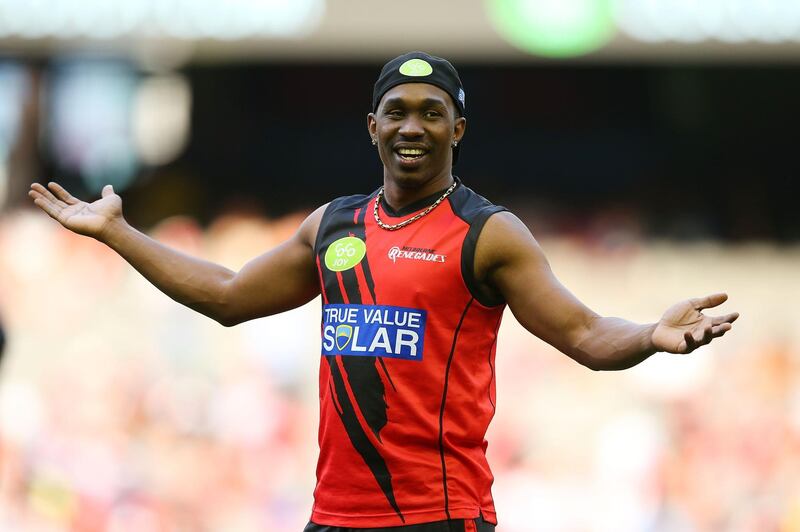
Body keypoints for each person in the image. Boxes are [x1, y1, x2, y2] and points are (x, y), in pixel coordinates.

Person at [29, 52, 738, 532]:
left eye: (433, 113)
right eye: (397, 110)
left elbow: (583, 333)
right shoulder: (333, 226)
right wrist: (119, 234)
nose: (413, 126)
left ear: (458, 130)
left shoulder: (488, 233)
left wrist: (649, 335)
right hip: (335, 515)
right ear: (372, 127)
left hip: (441, 515)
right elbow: (228, 294)